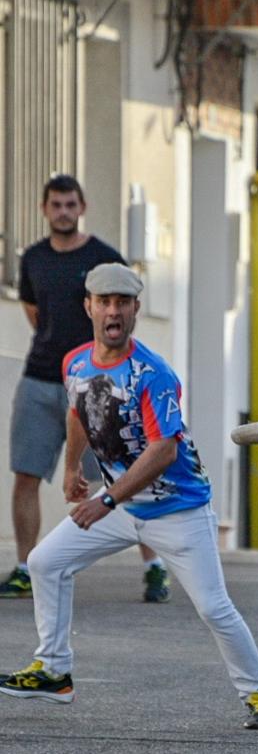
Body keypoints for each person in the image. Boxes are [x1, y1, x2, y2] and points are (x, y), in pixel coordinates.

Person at [0, 264, 258, 728]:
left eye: (122, 303)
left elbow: (163, 450)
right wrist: (72, 468)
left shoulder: (152, 374)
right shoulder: (75, 362)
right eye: (104, 302)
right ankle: (54, 669)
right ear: (88, 307)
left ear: (135, 310)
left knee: (213, 607)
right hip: (124, 505)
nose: (113, 311)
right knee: (45, 562)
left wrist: (105, 500)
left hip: (179, 511)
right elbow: (78, 412)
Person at [0, 174, 170, 603]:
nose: (63, 212)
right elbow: (34, 312)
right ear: (44, 209)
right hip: (41, 378)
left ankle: (153, 566)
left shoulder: (103, 259)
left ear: (82, 207)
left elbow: (119, 316)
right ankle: (25, 568)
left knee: (125, 473)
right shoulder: (34, 258)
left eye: (70, 204)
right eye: (55, 205)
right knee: (26, 473)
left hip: (100, 385)